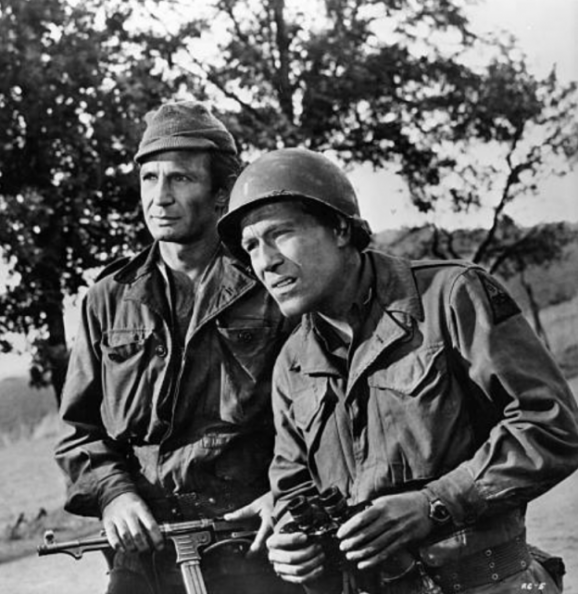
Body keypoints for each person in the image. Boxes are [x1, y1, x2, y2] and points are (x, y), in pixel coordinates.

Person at [217, 147, 578, 594]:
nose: (266, 261)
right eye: (251, 246)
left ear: (341, 228)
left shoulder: (448, 297)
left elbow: (552, 425)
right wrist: (293, 543)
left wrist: (435, 504)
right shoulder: (292, 362)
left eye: (281, 234)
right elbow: (293, 491)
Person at [55, 102, 300, 594]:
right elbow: (78, 433)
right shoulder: (108, 299)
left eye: (181, 179)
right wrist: (114, 496)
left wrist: (288, 495)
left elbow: (322, 412)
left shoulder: (271, 284)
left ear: (220, 192)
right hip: (146, 547)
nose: (159, 198)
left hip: (250, 537)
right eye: (149, 179)